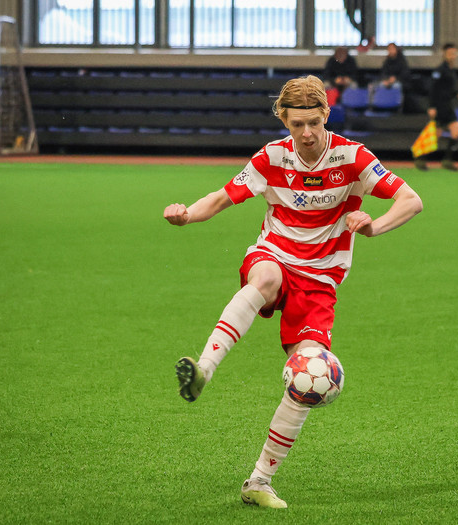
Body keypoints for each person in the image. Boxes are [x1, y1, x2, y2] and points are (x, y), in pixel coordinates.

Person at [164, 75, 423, 509]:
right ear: (283, 119)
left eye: (314, 123)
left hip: (320, 281)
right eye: (296, 124)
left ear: (326, 115)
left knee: (308, 379)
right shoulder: (271, 157)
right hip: (276, 256)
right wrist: (187, 214)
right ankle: (204, 368)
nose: (306, 133)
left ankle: (259, 481)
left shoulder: (352, 157)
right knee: (264, 279)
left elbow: (411, 200)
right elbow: (222, 198)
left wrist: (372, 226)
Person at [416, 43, 458, 172]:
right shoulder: (439, 70)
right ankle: (421, 159)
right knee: (435, 135)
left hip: (448, 106)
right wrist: (432, 106)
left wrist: (457, 94)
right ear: (444, 54)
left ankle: (447, 160)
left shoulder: (451, 70)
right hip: (439, 106)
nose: (452, 56)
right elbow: (433, 89)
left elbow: (448, 88)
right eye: (450, 53)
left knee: (456, 130)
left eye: (454, 53)